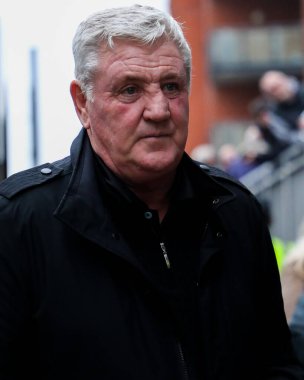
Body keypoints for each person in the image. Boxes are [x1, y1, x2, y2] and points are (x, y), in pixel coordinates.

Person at [0, 5, 302, 379]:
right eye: (130, 90)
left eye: (172, 86)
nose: (159, 110)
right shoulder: (18, 222)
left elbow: (275, 365)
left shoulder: (234, 210)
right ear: (82, 104)